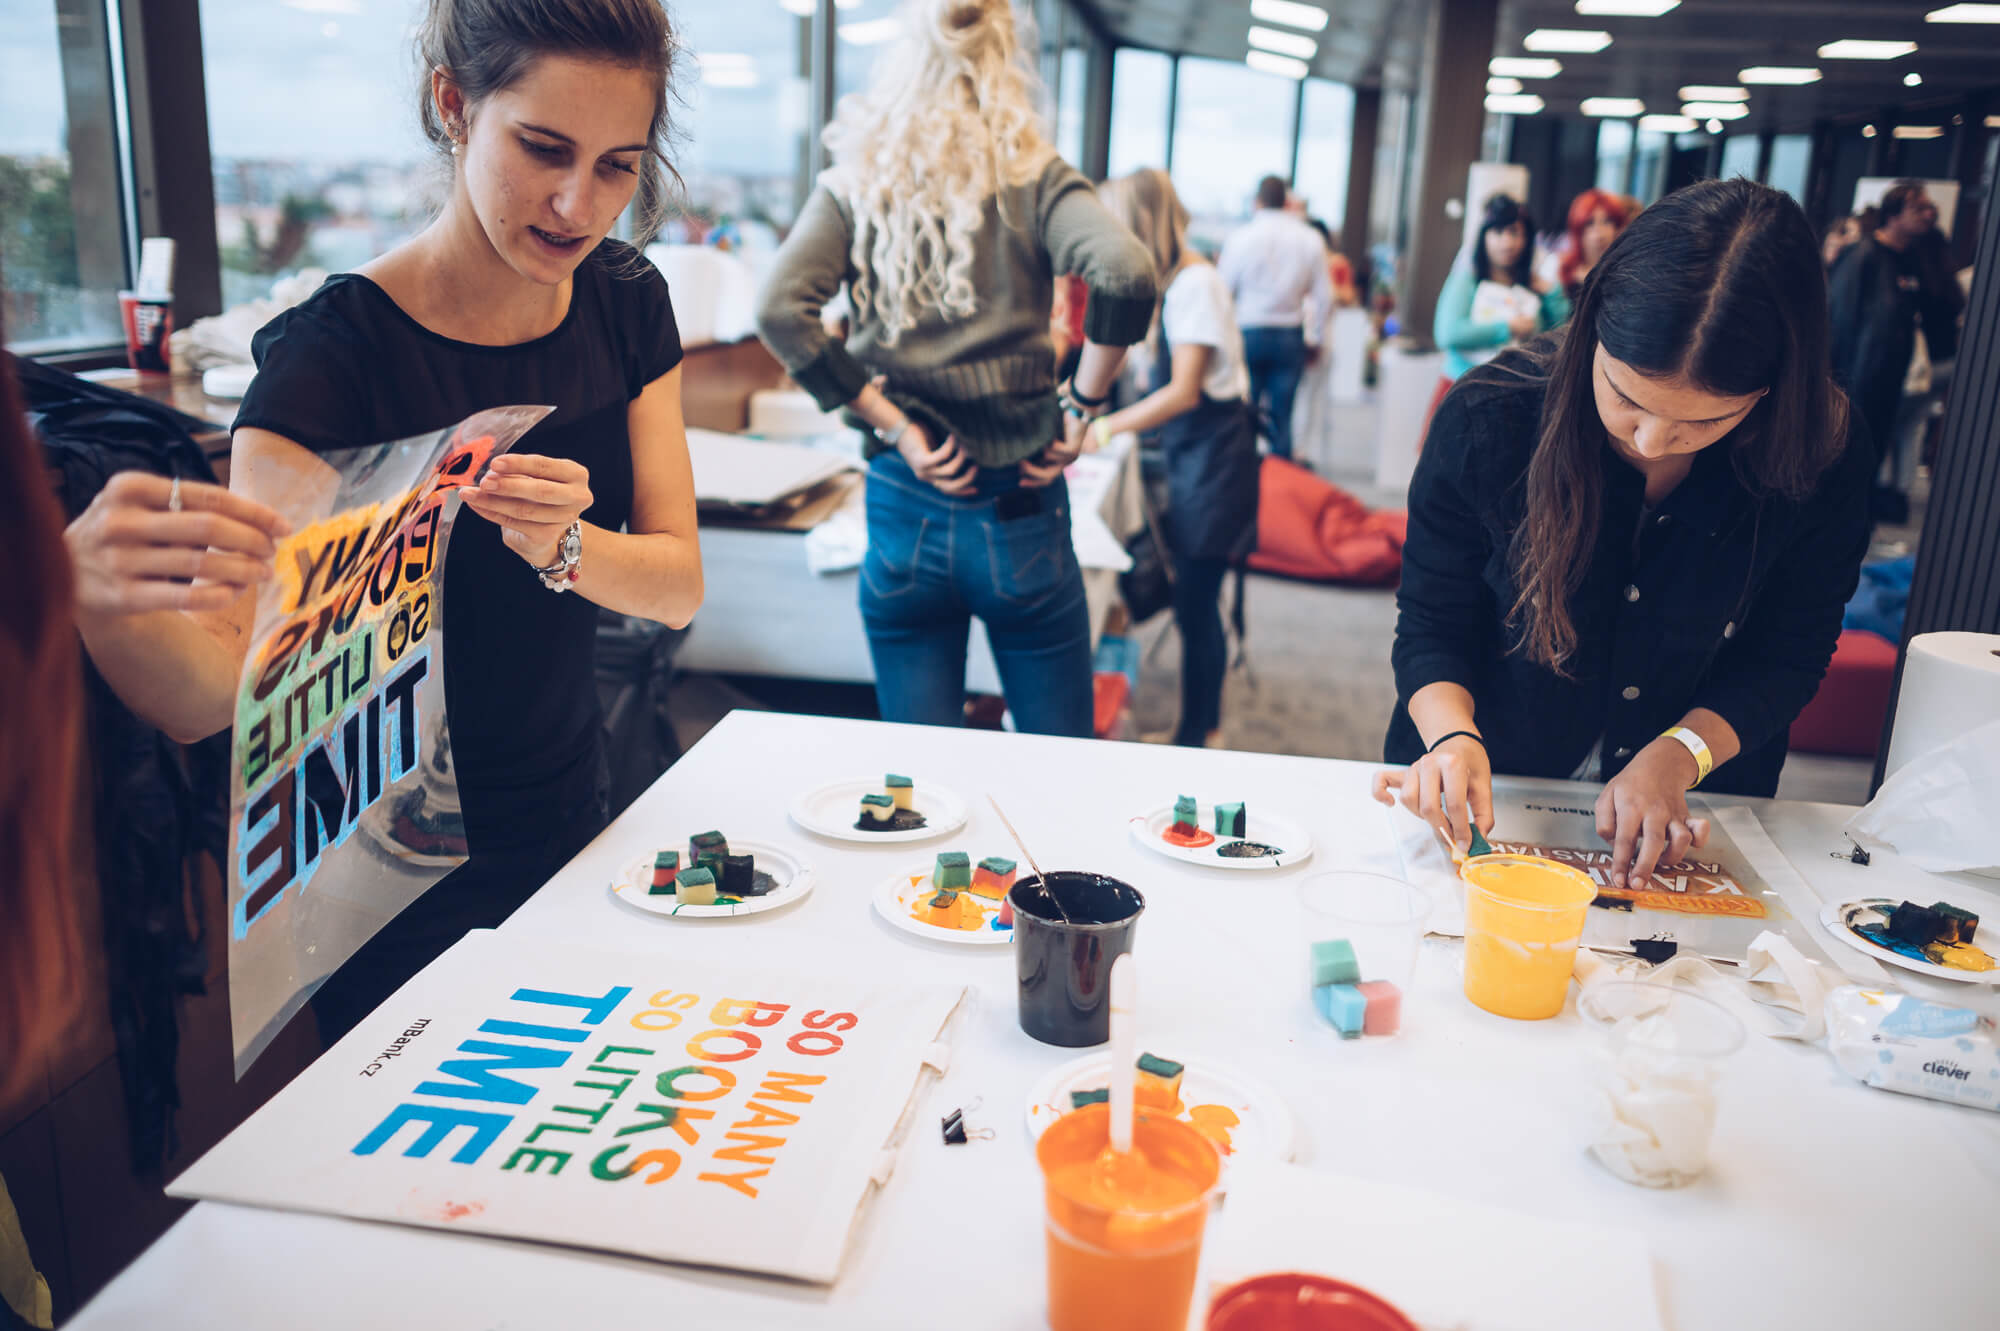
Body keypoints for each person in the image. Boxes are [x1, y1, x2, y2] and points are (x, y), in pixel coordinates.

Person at [60, 0, 704, 1042]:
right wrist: (90, 603)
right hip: (392, 883)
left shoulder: (625, 301)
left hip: (572, 818)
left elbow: (677, 585)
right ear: (455, 105)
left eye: (617, 166)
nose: (577, 203)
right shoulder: (331, 362)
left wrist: (566, 546)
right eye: (543, 149)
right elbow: (215, 695)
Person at [1376, 177, 1871, 890]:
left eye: (1705, 420)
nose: (1652, 442)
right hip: (1494, 787)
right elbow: (1432, 620)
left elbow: (1788, 654)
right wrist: (1452, 736)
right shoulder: (1489, 417)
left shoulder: (1821, 450)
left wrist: (1679, 755)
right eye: (1626, 397)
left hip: (1689, 812)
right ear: (1592, 329)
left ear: (1774, 389)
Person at [755, 0, 1156, 738]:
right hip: (1021, 506)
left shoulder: (857, 183)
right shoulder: (1035, 177)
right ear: (1006, 60)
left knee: (918, 776)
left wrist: (897, 427)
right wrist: (1082, 406)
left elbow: (780, 309)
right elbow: (1126, 274)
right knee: (1063, 767)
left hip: (904, 502)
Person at [1093, 168, 1259, 748]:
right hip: (1198, 458)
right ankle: (1198, 727)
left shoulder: (1195, 285)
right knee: (1192, 601)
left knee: (1195, 604)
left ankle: (1199, 734)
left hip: (1215, 464)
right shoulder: (1177, 283)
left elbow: (1184, 391)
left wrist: (1102, 429)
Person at [1827, 181, 1958, 522]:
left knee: (1876, 449)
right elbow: (1841, 320)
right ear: (1894, 215)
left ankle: (1862, 518)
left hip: (1892, 376)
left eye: (1929, 208)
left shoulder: (1914, 259)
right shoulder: (1864, 255)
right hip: (1858, 377)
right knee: (1848, 455)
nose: (1929, 214)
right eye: (1918, 208)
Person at [1217, 175, 1332, 461]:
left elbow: (1223, 292)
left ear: (1257, 202)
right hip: (1289, 334)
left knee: (1244, 412)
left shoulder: (1241, 238)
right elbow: (1324, 297)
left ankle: (1243, 475)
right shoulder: (1310, 238)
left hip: (1248, 332)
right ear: (1287, 202)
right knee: (1282, 418)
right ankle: (1279, 481)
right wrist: (1316, 337)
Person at [1434, 193, 1569, 384]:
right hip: (1463, 383)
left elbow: (1560, 334)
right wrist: (1508, 328)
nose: (1507, 243)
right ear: (1484, 236)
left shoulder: (1535, 282)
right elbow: (1447, 334)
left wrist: (1552, 293)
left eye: (1514, 232)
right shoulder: (1469, 278)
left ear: (1527, 238)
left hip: (1515, 386)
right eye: (1498, 232)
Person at [1556, 187, 1635, 303]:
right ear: (1578, 229)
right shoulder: (1564, 271)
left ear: (1617, 228)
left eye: (1607, 221)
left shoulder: (1626, 275)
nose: (1599, 232)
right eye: (1590, 223)